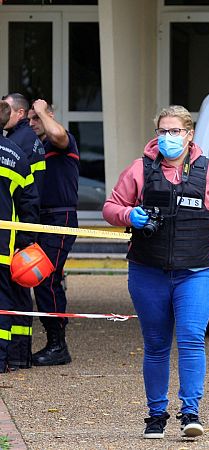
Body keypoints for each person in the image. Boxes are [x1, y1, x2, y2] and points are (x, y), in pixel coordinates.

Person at [103, 105, 209, 439]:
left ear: (189, 135)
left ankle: (191, 412)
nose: (168, 137)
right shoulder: (139, 170)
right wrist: (129, 215)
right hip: (148, 271)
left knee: (191, 338)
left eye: (175, 131)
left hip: (196, 271)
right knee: (157, 344)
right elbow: (110, 207)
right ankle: (156, 415)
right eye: (163, 131)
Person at [26, 100, 79, 367]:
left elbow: (57, 134)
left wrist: (43, 110)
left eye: (38, 118)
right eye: (30, 119)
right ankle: (52, 342)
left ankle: (58, 345)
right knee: (41, 279)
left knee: (45, 278)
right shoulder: (36, 147)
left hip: (59, 217)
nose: (33, 123)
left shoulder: (62, 140)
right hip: (38, 219)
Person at [2, 93, 45, 369]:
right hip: (6, 247)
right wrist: (25, 241)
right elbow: (30, 203)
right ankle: (8, 358)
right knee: (5, 304)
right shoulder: (14, 154)